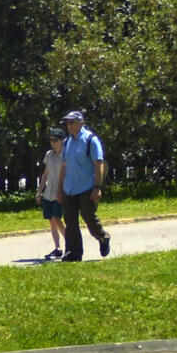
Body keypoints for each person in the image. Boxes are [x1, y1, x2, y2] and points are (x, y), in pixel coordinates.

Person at [59, 109, 111, 260]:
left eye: (72, 122)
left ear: (81, 123)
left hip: (86, 187)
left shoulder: (90, 140)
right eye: (67, 123)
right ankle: (74, 253)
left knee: (88, 216)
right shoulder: (67, 142)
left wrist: (97, 187)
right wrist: (59, 188)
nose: (69, 125)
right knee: (70, 220)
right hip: (69, 188)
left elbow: (99, 163)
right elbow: (64, 166)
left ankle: (102, 237)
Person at [38, 125, 67, 262]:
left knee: (57, 217)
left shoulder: (66, 155)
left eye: (55, 139)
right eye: (51, 140)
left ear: (62, 140)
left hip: (60, 192)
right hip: (49, 192)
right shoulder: (49, 155)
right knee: (51, 220)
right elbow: (45, 174)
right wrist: (40, 191)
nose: (53, 142)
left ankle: (71, 243)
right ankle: (58, 248)